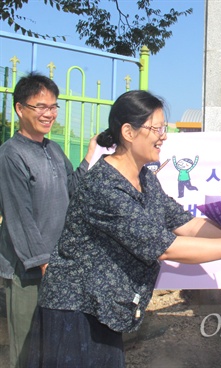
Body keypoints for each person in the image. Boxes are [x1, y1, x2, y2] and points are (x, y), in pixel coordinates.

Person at [26, 90, 221, 367]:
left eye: (163, 128)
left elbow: (186, 223)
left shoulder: (145, 179)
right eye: (156, 128)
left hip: (104, 308)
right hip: (75, 310)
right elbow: (166, 247)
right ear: (128, 131)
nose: (163, 135)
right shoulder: (103, 185)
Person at [0, 72, 97, 368]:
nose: (49, 114)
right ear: (20, 109)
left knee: (54, 347)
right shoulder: (11, 154)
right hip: (28, 272)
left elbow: (71, 191)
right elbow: (19, 217)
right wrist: (44, 263)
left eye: (53, 107)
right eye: (40, 106)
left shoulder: (53, 150)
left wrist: (91, 155)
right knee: (27, 349)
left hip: (57, 266)